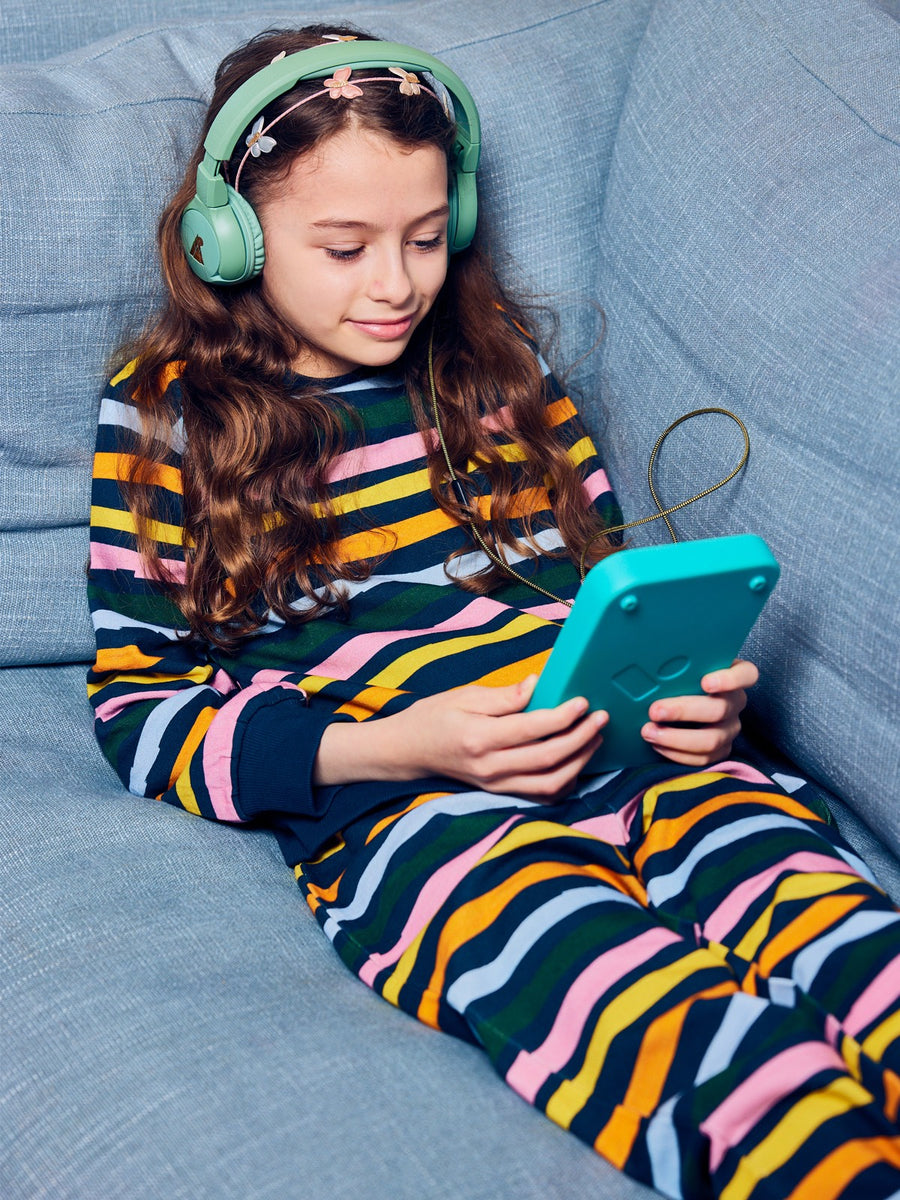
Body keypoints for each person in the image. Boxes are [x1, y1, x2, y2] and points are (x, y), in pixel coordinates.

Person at [87, 24, 900, 1199]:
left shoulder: (497, 370)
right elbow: (137, 710)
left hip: (634, 758)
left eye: (425, 238)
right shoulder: (167, 421)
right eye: (345, 245)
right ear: (232, 236)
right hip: (410, 807)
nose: (396, 283)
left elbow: (598, 596)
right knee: (659, 1029)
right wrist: (391, 747)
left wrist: (687, 698)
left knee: (842, 936)